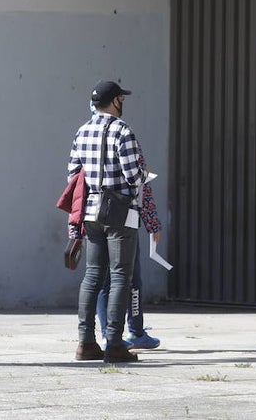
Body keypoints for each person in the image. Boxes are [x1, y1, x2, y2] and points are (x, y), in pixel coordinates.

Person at [69, 80, 146, 363]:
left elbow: (73, 175)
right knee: (119, 277)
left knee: (92, 276)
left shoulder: (82, 130)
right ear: (115, 101)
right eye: (121, 99)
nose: (122, 103)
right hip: (120, 214)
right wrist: (141, 175)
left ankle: (86, 342)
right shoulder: (123, 131)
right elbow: (133, 176)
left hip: (90, 213)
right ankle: (114, 344)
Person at [96, 179, 162, 349]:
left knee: (103, 281)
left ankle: (106, 336)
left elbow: (76, 179)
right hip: (124, 218)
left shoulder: (84, 150)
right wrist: (152, 223)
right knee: (131, 280)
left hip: (94, 216)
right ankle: (134, 332)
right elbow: (139, 183)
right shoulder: (130, 151)